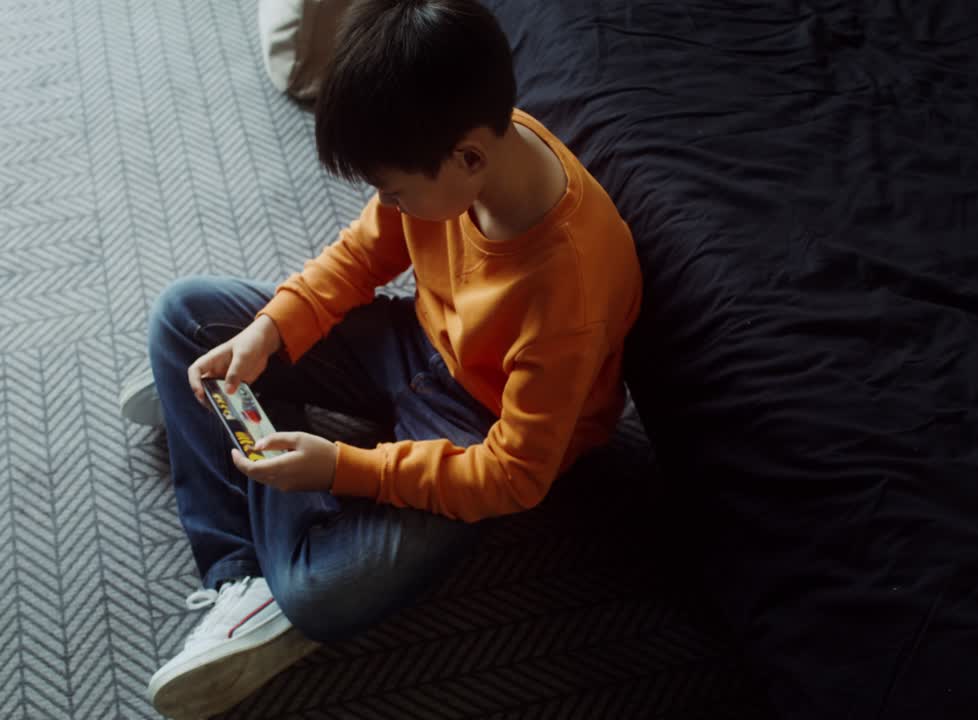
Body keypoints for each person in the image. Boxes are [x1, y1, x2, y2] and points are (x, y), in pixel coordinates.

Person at [118, 0, 642, 716]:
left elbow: (515, 478)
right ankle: (242, 570)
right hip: (413, 341)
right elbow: (363, 253)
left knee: (320, 596)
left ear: (469, 158)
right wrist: (270, 330)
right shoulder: (473, 148)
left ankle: (240, 437)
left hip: (477, 433)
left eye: (393, 189)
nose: (383, 202)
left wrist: (342, 468)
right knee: (185, 312)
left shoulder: (568, 293)